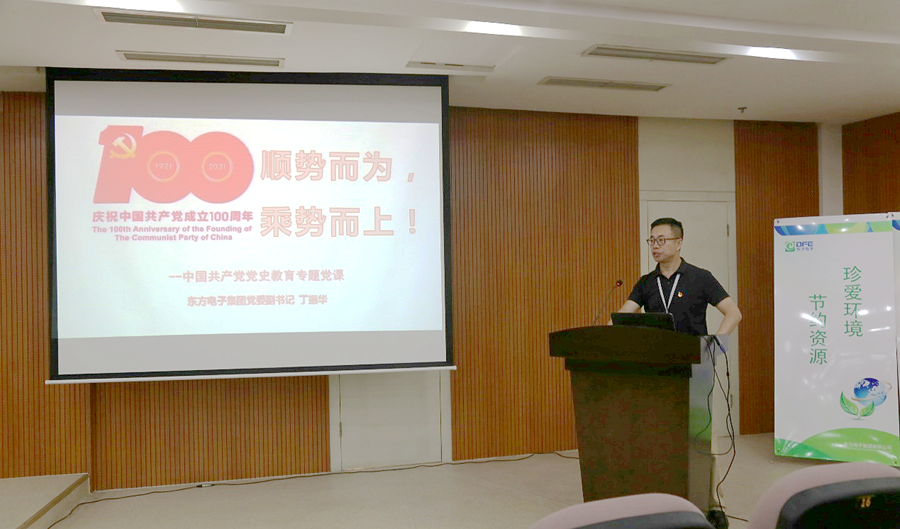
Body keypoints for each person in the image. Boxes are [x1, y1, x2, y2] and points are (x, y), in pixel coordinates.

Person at [615, 217, 742, 336]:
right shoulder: (646, 282)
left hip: (693, 351)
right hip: (656, 351)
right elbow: (620, 318)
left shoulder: (701, 277)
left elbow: (733, 313)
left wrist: (715, 343)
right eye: (652, 240)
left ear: (678, 243)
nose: (655, 246)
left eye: (661, 240)